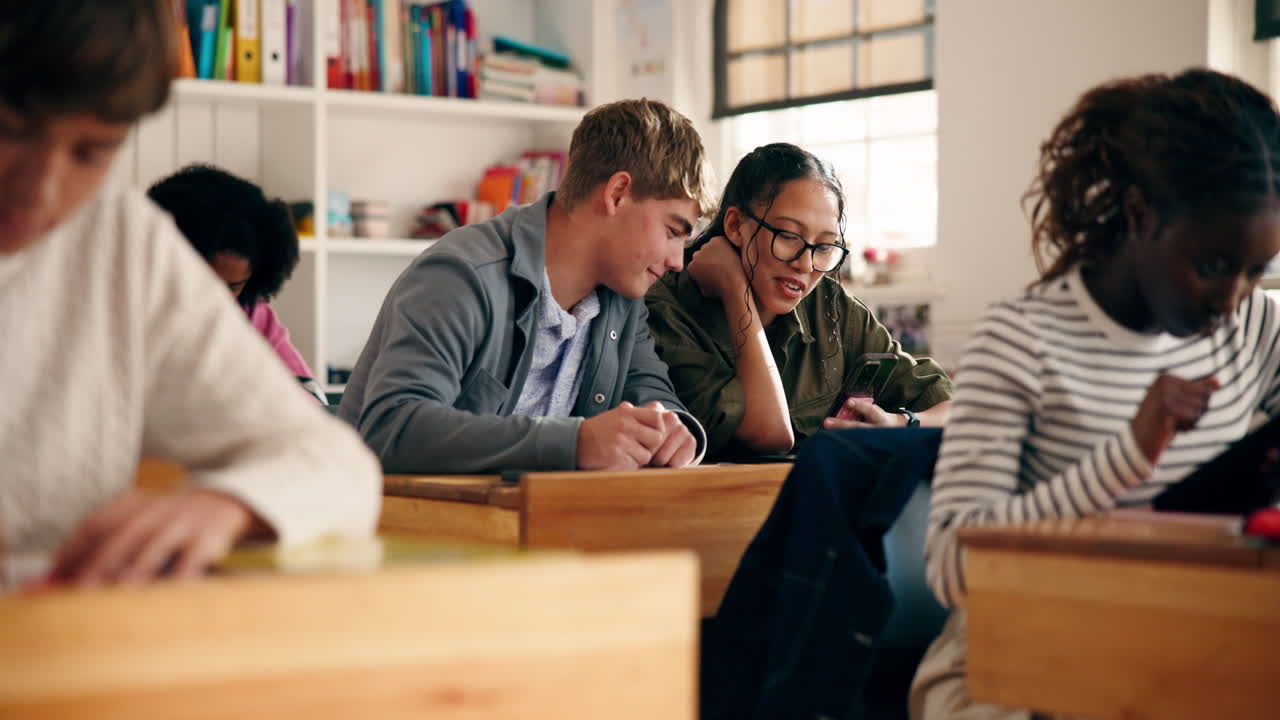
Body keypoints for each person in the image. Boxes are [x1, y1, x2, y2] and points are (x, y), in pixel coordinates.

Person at [910, 68, 1280, 719]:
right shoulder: (1022, 338)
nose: (1232, 301)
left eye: (1256, 272)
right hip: (1017, 666)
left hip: (1188, 653)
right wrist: (1126, 456)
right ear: (1141, 215)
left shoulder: (1257, 326)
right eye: (1214, 266)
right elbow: (951, 564)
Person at [0, 0, 380, 589]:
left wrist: (229, 504)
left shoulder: (120, 242)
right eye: (8, 132)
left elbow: (337, 466)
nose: (40, 193)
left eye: (90, 153)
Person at [338, 98, 713, 473]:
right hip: (404, 524)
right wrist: (575, 441)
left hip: (532, 524)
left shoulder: (622, 299)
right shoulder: (462, 275)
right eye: (672, 231)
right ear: (617, 193)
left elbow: (654, 397)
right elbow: (392, 427)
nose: (677, 261)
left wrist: (676, 432)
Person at [645, 142, 952, 462]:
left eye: (825, 247)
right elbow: (770, 435)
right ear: (736, 226)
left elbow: (957, 409)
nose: (806, 266)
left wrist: (901, 423)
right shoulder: (666, 314)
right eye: (789, 237)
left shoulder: (833, 310)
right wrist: (737, 293)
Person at [147, 164, 324, 402]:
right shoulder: (116, 314)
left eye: (233, 287)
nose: (217, 302)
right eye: (202, 284)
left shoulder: (252, 315)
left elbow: (309, 405)